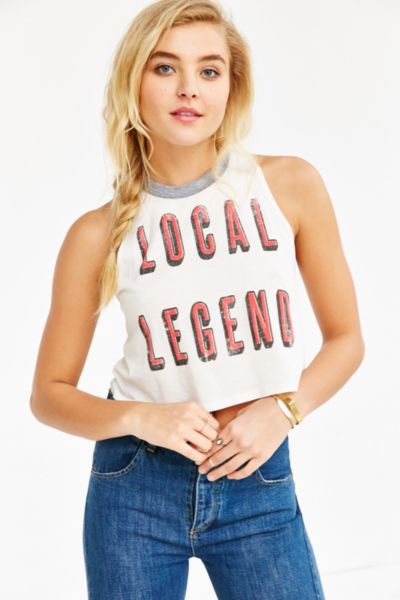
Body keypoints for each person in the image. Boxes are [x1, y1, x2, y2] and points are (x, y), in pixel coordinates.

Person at [30, 0, 365, 598]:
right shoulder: (95, 234)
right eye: (165, 68)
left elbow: (347, 339)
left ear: (231, 86)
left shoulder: (288, 186)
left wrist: (284, 410)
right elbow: (49, 395)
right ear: (134, 81)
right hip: (134, 489)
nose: (189, 88)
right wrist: (141, 418)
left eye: (209, 70)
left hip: (259, 479)